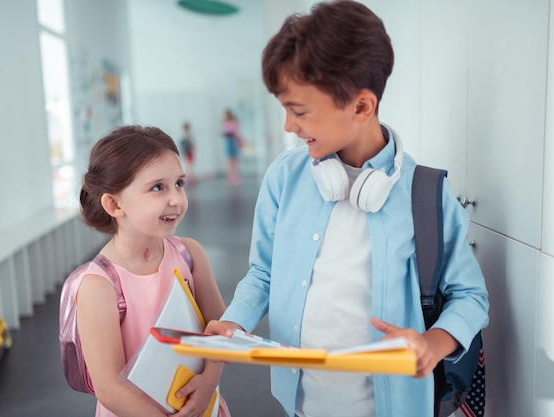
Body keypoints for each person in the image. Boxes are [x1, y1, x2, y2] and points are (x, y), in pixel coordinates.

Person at [206, 1, 489, 417]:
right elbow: (264, 272)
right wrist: (235, 322)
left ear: (361, 106)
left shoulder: (426, 194)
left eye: (299, 111)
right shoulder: (285, 178)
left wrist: (434, 343)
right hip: (302, 403)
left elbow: (471, 297)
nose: (288, 125)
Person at [77, 125, 230, 417]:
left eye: (179, 184)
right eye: (157, 187)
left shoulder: (190, 254)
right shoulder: (99, 285)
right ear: (114, 203)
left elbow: (221, 331)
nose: (176, 198)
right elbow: (108, 387)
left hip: (201, 407)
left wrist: (208, 383)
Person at [221, 109, 243, 185]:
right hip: (229, 142)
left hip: (233, 143)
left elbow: (236, 133)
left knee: (233, 161)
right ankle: (231, 177)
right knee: (230, 161)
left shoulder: (232, 123)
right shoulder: (225, 123)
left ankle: (234, 177)